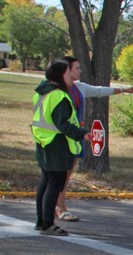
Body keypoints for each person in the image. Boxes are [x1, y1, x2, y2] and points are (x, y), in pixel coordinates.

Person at [54, 55, 133, 222]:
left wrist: (123, 90)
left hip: (76, 137)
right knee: (59, 175)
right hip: (59, 138)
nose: (80, 71)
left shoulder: (80, 88)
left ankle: (57, 206)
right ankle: (59, 208)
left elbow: (100, 90)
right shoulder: (55, 91)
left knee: (67, 174)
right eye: (76, 68)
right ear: (67, 70)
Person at [31, 59, 93, 236]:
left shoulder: (42, 92)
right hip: (56, 144)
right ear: (60, 75)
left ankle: (41, 222)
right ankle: (48, 224)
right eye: (68, 72)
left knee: (45, 182)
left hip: (43, 141)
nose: (72, 76)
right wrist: (82, 134)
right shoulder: (59, 96)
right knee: (54, 184)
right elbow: (63, 124)